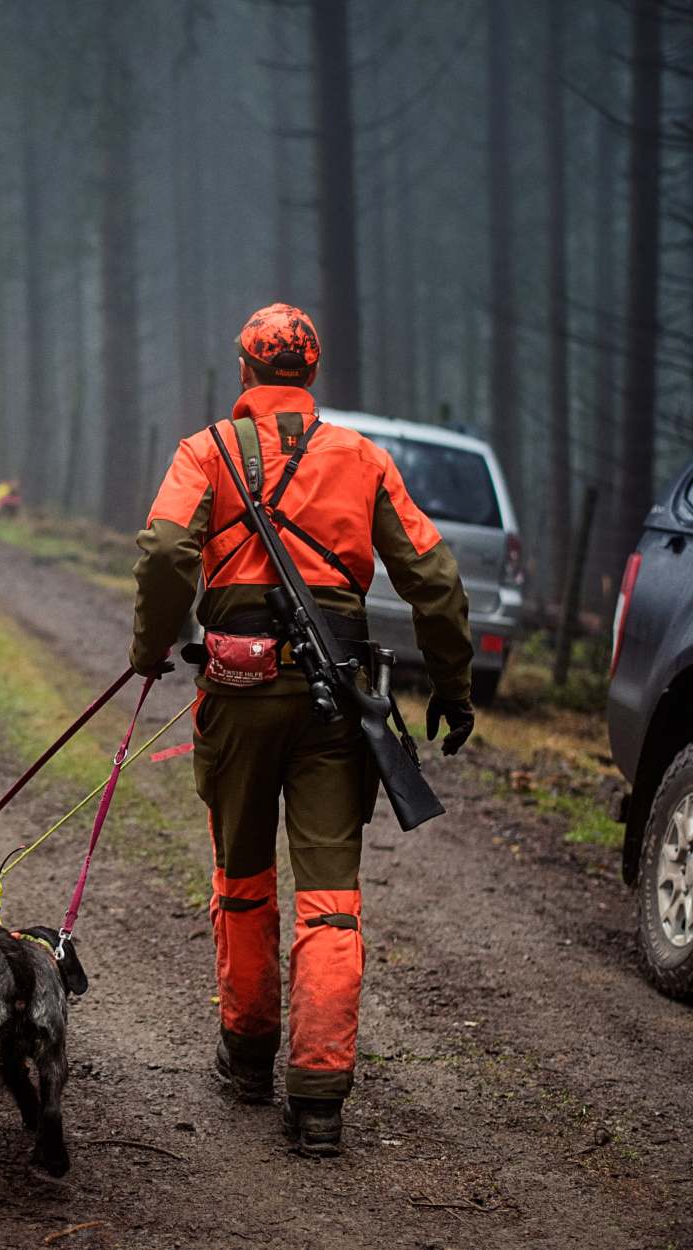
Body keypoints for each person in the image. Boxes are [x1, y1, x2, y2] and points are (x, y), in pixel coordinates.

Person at [129, 303, 475, 1155]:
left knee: (243, 878)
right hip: (336, 698)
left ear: (246, 372)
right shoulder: (361, 457)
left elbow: (168, 552)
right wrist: (454, 687)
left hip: (238, 695)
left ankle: (247, 1058)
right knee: (331, 900)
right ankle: (318, 1099)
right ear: (309, 376)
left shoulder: (203, 451)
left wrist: (151, 649)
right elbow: (433, 577)